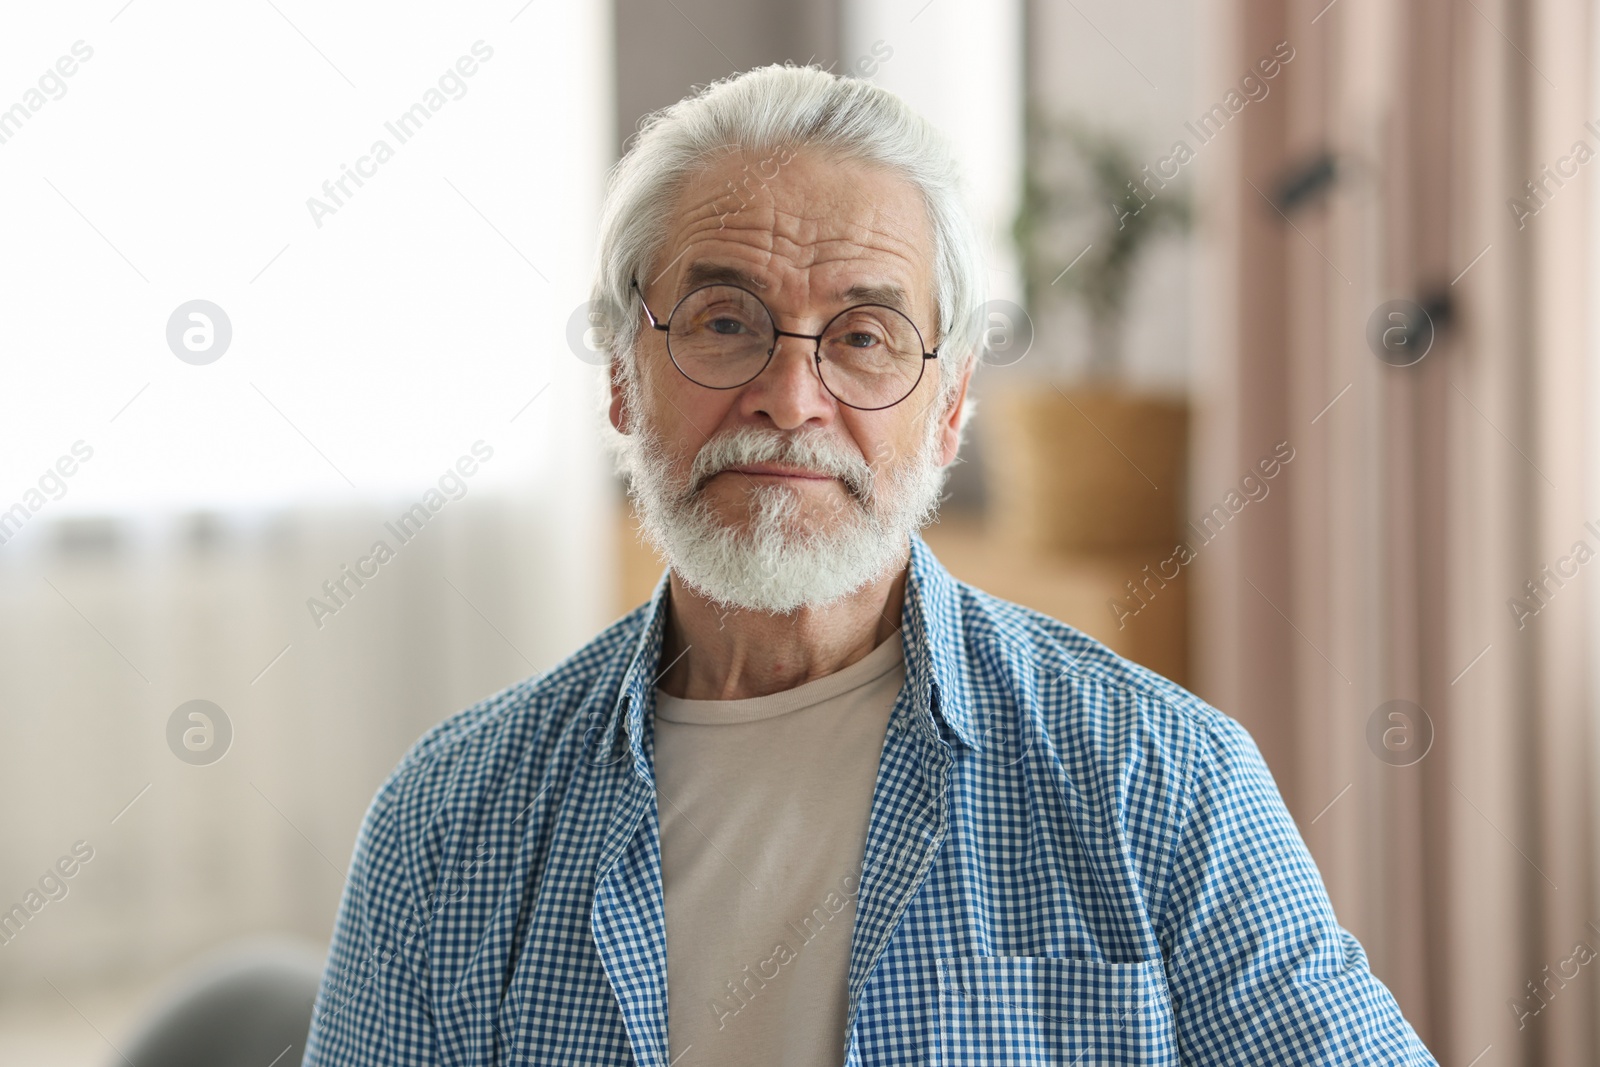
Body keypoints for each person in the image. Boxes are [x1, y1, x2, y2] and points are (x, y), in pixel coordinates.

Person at [301, 63, 1438, 1066]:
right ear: (618, 376)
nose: (790, 400)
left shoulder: (1161, 780)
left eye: (862, 337)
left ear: (947, 408)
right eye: (722, 320)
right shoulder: (447, 827)